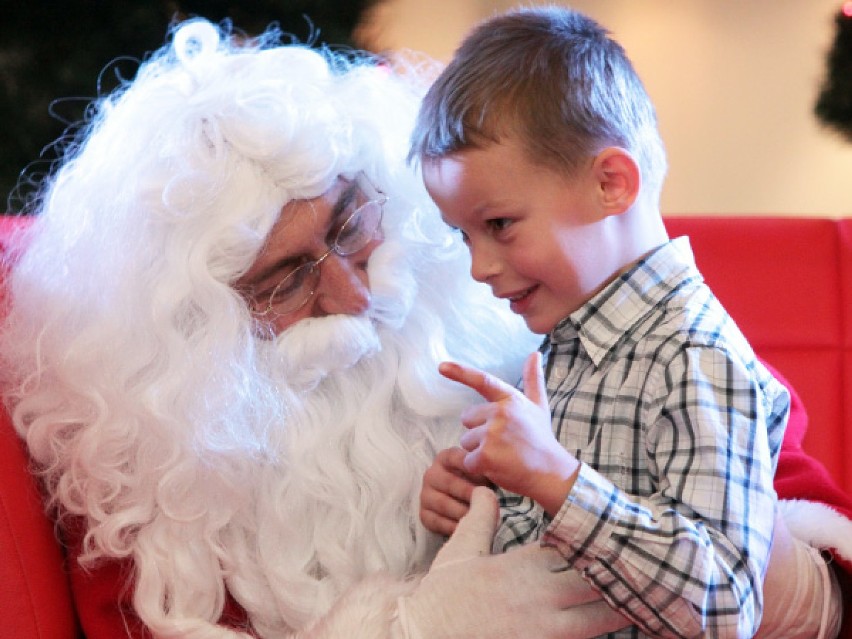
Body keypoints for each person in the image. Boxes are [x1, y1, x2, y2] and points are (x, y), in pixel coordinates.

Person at [0, 14, 847, 639]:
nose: (351, 292)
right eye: (285, 279)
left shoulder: (558, 312)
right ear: (191, 327)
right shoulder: (144, 489)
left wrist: (773, 574)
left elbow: (805, 511)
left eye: (346, 226)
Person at [410, 5, 848, 639]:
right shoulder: (567, 340)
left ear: (611, 183)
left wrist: (556, 480)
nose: (479, 267)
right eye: (464, 235)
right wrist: (482, 498)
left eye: (500, 224)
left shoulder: (695, 355)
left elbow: (724, 608)